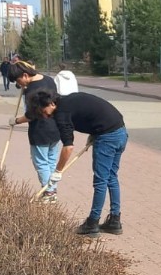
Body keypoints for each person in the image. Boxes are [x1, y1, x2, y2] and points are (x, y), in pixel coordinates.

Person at [26, 89, 128, 237]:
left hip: (107, 137)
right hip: (120, 132)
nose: (44, 115)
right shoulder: (68, 100)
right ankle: (114, 221)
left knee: (100, 181)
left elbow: (68, 147)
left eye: (43, 111)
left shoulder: (61, 114)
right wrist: (95, 132)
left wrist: (58, 172)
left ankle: (92, 223)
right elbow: (94, 112)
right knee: (111, 177)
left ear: (51, 103)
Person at [7, 61, 60, 201]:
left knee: (42, 163)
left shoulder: (31, 90)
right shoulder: (49, 80)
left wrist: (16, 121)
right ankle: (52, 190)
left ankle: (49, 193)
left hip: (40, 131)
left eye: (19, 81)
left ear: (25, 75)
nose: (20, 84)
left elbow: (31, 115)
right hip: (55, 128)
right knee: (51, 162)